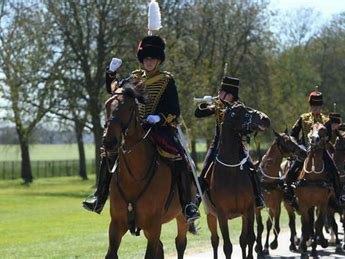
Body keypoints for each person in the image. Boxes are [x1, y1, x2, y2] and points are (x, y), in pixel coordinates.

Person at [82, 35, 200, 223]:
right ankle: (100, 195)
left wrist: (159, 118)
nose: (149, 61)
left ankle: (187, 204)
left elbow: (174, 110)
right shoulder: (134, 78)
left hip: (159, 128)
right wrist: (111, 73)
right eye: (146, 58)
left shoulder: (167, 80)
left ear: (158, 60)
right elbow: (114, 91)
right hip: (135, 127)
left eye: (152, 58)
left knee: (178, 156)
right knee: (108, 153)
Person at [194, 77, 265, 208]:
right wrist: (205, 103)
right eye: (220, 91)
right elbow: (198, 114)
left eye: (222, 92)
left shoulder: (240, 108)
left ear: (230, 95)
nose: (219, 94)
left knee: (251, 167)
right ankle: (196, 202)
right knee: (204, 169)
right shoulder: (217, 106)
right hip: (218, 144)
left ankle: (258, 196)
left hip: (236, 145)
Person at [283, 88, 345, 209]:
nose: (315, 108)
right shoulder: (303, 118)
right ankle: (289, 193)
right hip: (304, 152)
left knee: (334, 171)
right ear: (310, 105)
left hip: (321, 152)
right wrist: (299, 147)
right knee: (291, 170)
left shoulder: (326, 120)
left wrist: (322, 141)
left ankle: (339, 196)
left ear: (321, 106)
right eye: (313, 105)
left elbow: (328, 137)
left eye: (317, 106)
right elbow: (293, 134)